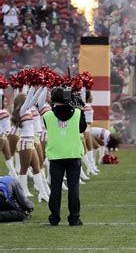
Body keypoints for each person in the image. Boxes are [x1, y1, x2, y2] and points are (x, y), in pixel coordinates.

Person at [43, 86, 87, 226]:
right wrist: (80, 109)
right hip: (73, 153)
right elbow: (82, 128)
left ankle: (54, 218)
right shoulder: (77, 113)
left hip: (56, 155)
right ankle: (74, 218)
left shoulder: (47, 115)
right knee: (73, 188)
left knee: (55, 188)